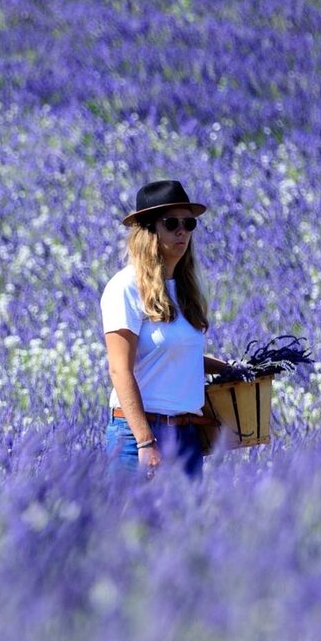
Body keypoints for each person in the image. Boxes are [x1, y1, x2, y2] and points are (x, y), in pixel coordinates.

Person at [101, 179, 234, 476]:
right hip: (139, 435)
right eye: (171, 223)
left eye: (189, 224)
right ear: (147, 231)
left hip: (186, 436)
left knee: (185, 524)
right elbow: (119, 369)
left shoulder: (186, 290)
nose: (182, 231)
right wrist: (145, 442)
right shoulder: (125, 287)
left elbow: (172, 358)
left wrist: (230, 369)